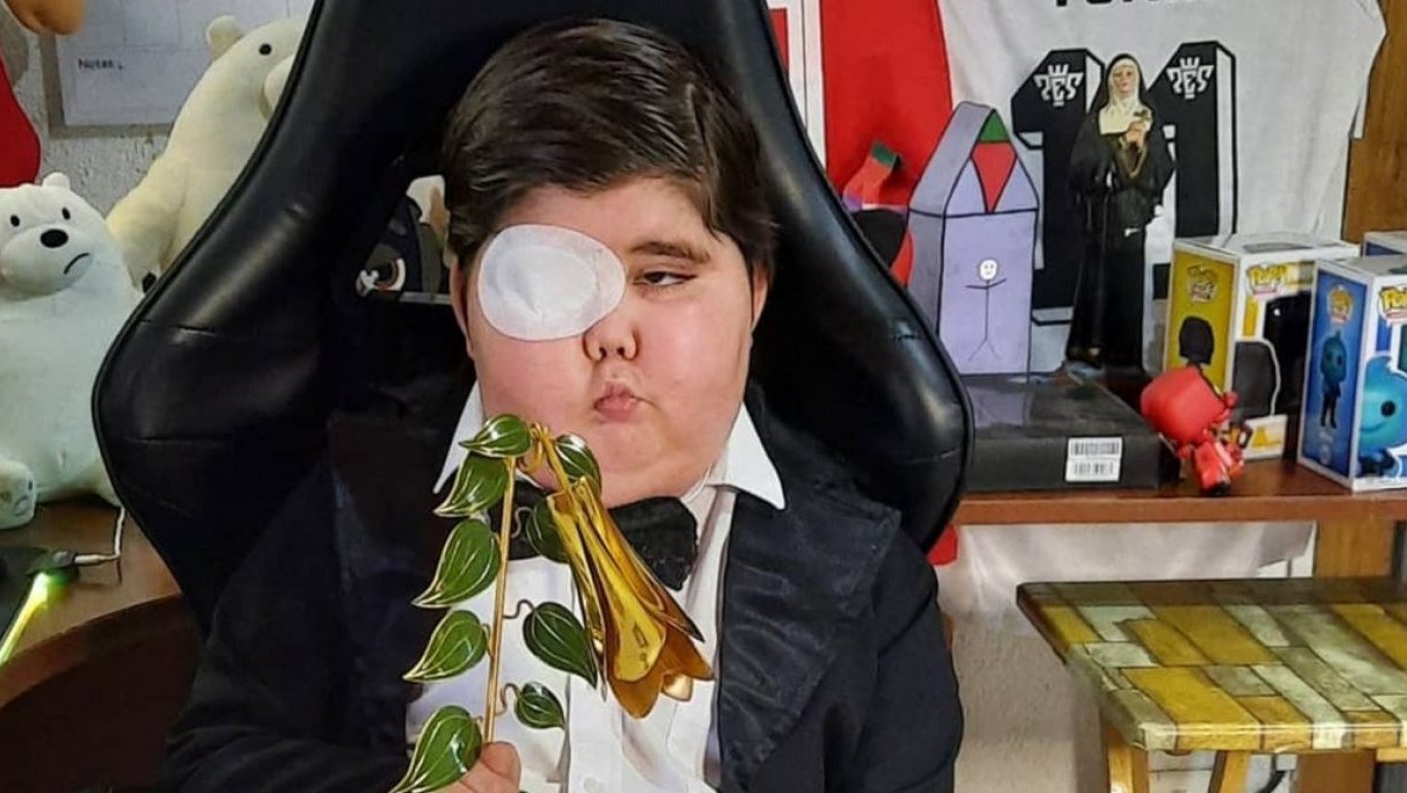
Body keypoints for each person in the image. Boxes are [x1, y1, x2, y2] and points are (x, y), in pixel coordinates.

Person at [158, 18, 962, 793]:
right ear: (467, 302)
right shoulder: (348, 508)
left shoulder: (868, 581)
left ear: (755, 291)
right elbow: (212, 762)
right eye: (549, 281)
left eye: (663, 276)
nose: (610, 335)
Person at [1066, 54, 1175, 374]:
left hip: (1131, 216)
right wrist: (1115, 159)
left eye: (1130, 74)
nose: (1124, 80)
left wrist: (1139, 155)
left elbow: (1163, 166)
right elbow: (1078, 167)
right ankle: (1091, 348)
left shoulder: (1147, 119)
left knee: (1128, 282)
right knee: (1097, 280)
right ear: (1109, 81)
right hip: (1100, 215)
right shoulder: (1097, 120)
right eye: (1118, 74)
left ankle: (1125, 355)